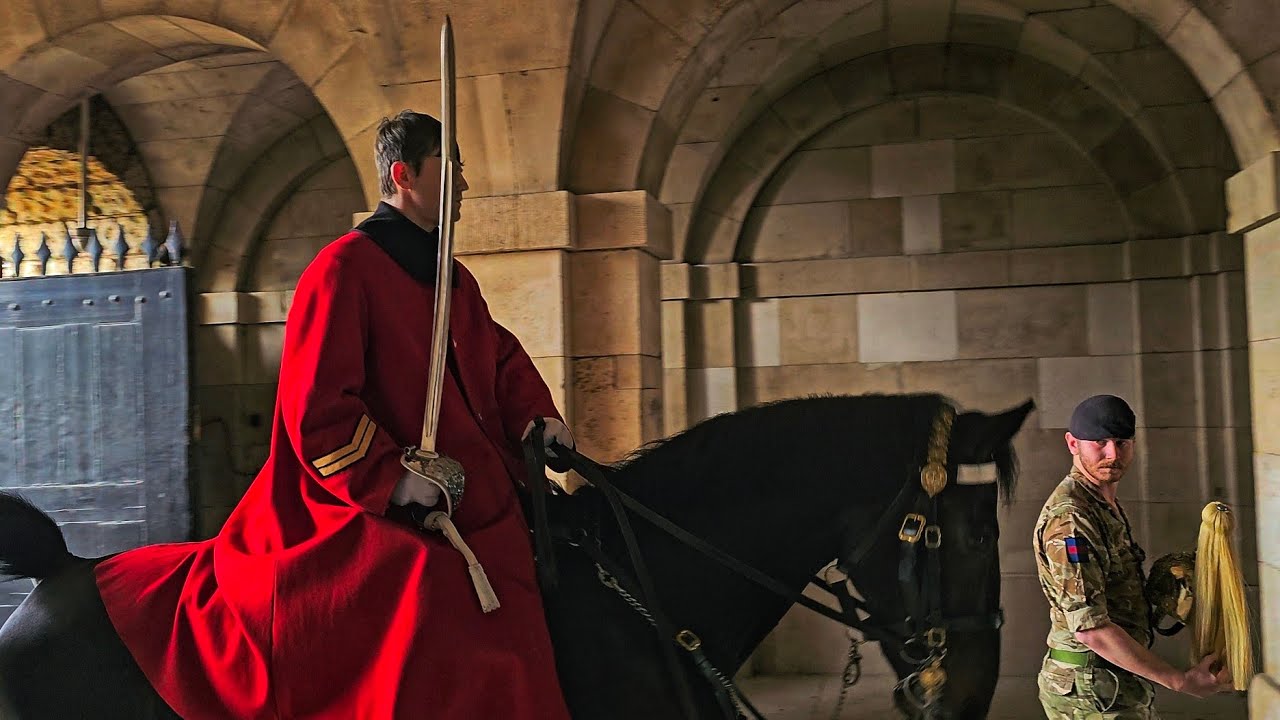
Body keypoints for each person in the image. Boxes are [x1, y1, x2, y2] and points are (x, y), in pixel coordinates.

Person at [94, 110, 576, 719]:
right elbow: (316, 410)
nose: (463, 185)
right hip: (364, 495)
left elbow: (495, 359)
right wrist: (395, 480)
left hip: (475, 489)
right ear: (403, 175)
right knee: (426, 590)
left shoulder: (453, 276)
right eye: (449, 169)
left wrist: (537, 417)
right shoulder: (343, 268)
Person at [1034, 394, 1233, 719]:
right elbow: (1090, 629)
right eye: (1099, 442)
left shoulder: (1100, 503)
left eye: (1122, 442)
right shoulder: (1071, 519)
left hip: (1111, 681)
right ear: (1072, 444)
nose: (1112, 454)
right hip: (1089, 689)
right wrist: (1180, 681)